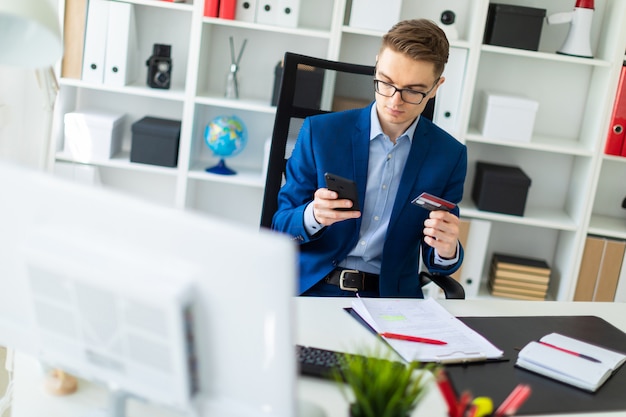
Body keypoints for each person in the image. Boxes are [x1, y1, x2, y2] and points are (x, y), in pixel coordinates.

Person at [272, 19, 467, 297]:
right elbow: (279, 226)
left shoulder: (449, 156)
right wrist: (312, 216)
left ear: (435, 87)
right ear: (377, 66)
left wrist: (448, 250)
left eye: (413, 90)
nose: (394, 101)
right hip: (314, 288)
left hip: (390, 299)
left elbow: (439, 261)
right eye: (386, 83)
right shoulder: (321, 133)